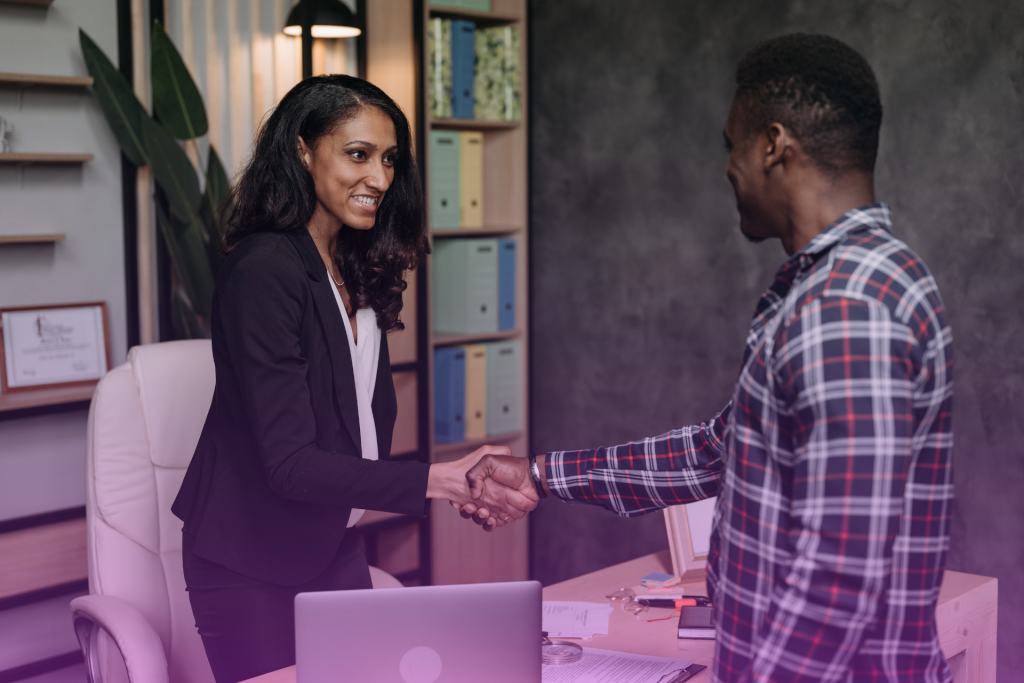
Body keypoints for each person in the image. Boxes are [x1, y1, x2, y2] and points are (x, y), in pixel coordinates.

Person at [459, 34, 955, 683]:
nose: (727, 166)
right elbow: (720, 449)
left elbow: (838, 580)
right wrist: (540, 474)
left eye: (732, 144)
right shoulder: (866, 278)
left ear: (773, 145)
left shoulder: (846, 308)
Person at [171, 75, 535, 683]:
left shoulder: (347, 262)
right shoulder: (264, 270)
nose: (380, 178)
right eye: (358, 154)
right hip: (249, 559)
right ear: (303, 151)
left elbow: (355, 426)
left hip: (328, 540)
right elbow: (289, 464)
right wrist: (443, 481)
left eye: (389, 159)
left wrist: (451, 486)